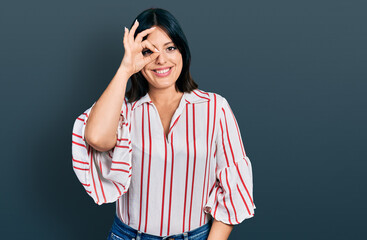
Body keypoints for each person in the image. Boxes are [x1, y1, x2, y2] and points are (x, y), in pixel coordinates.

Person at [71, 7, 255, 240]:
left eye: (170, 47)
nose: (161, 59)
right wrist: (125, 68)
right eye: (148, 51)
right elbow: (96, 138)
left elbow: (234, 189)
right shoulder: (123, 110)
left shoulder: (215, 108)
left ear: (182, 51)